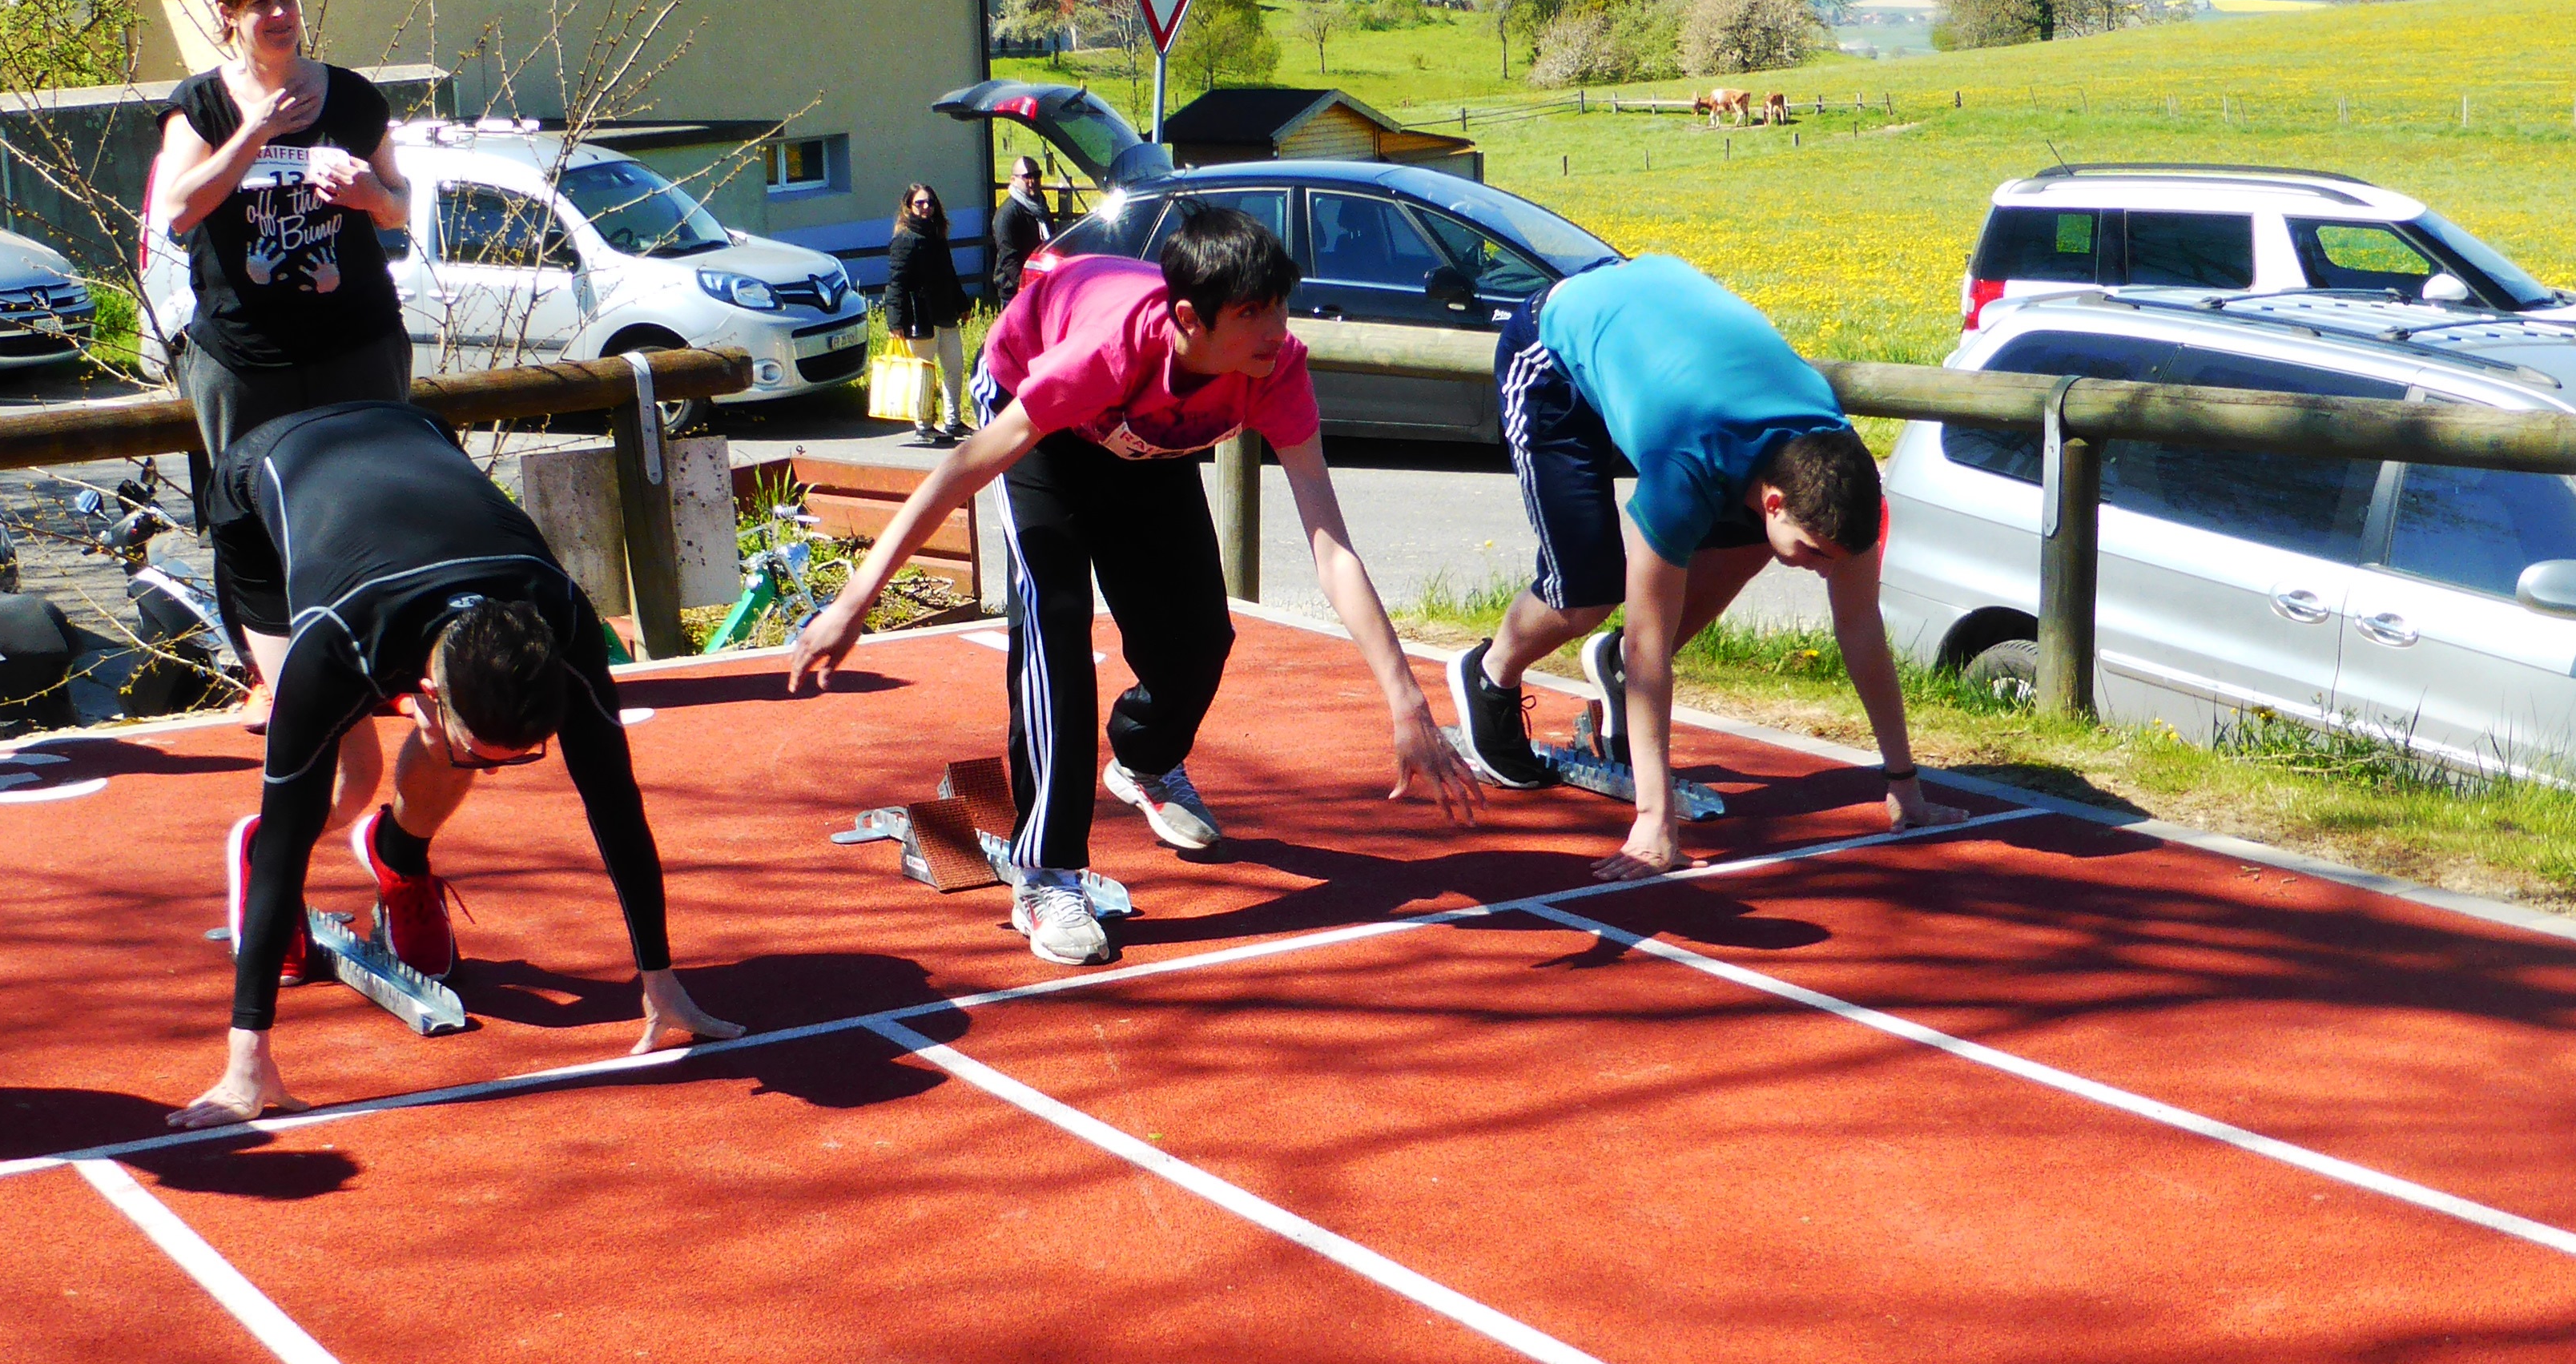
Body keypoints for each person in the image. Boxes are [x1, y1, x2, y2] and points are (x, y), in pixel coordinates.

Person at [787, 205, 1479, 965]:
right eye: (1252, 314)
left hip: (1143, 439)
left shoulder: (1275, 368)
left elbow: (1331, 545)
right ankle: (1047, 874)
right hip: (1038, 415)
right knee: (1055, 624)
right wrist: (854, 601)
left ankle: (1145, 759)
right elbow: (961, 468)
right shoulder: (1105, 353)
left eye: (1280, 306)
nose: (1275, 330)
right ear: (1188, 320)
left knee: (1199, 638)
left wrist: (1407, 700)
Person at [170, 397, 742, 1129]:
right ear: (426, 696)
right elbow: (292, 827)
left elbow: (616, 804)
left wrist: (660, 980)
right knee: (339, 783)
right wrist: (246, 1061)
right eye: (480, 753)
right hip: (267, 473)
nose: (492, 772)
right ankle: (263, 855)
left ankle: (398, 852)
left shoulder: (561, 620)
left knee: (450, 760)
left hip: (411, 439)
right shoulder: (336, 646)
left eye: (516, 758)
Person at [1444, 255, 1941, 880]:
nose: (1823, 571)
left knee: (1755, 544)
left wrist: (1904, 783)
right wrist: (1655, 822)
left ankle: (1611, 673)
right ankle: (1490, 672)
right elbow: (1650, 644)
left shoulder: (1844, 476)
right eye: (1816, 553)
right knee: (1587, 591)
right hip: (1554, 351)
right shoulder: (1686, 468)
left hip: (1664, 347)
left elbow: (1861, 629)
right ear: (1775, 501)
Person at [147, 0, 413, 734]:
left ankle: (380, 664)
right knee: (248, 514)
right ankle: (269, 674)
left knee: (373, 500)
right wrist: (256, 131)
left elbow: (399, 204)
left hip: (356, 342)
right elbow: (178, 209)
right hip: (243, 355)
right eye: (260, 2)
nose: (279, 14)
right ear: (230, 16)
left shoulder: (352, 98)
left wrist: (369, 193)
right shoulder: (201, 105)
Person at [879, 181, 974, 445]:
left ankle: (953, 421)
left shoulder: (937, 235)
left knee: (955, 367)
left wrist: (962, 304)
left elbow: (950, 274)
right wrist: (895, 322)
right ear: (908, 206)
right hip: (920, 317)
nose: (925, 207)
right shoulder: (904, 240)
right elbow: (896, 284)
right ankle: (924, 425)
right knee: (924, 372)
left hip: (945, 312)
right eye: (919, 203)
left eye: (930, 202)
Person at [986, 155, 1053, 309]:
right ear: (1013, 180)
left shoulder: (1040, 207)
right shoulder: (1007, 214)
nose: (1032, 181)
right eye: (1027, 177)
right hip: (1015, 292)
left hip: (1041, 285)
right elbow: (1009, 259)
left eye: (1037, 175)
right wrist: (1026, 288)